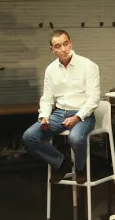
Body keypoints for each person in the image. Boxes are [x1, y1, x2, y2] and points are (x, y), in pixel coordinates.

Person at [22, 30, 101, 184]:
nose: (63, 49)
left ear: (71, 43)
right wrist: (44, 116)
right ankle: (61, 162)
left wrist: (77, 117)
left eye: (66, 44)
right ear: (52, 50)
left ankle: (80, 169)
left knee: (75, 138)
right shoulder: (51, 70)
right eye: (58, 46)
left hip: (82, 113)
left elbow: (94, 98)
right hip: (59, 114)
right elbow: (47, 98)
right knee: (29, 136)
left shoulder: (88, 65)